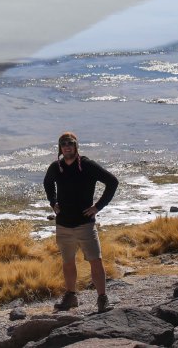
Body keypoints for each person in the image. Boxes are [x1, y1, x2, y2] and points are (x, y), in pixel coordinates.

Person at [43, 131, 118, 313]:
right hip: (63, 225)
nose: (67, 147)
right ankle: (71, 297)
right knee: (68, 262)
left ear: (76, 146)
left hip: (85, 224)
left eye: (70, 143)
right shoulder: (56, 167)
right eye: (63, 144)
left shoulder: (87, 165)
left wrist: (97, 207)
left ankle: (102, 299)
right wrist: (53, 203)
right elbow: (47, 183)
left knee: (96, 261)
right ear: (60, 148)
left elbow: (112, 182)